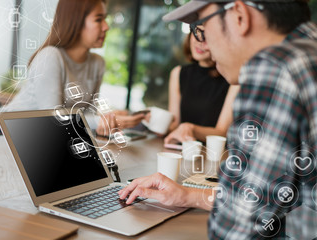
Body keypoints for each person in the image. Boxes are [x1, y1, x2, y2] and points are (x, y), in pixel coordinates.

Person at [119, 0, 317, 239]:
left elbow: (240, 226)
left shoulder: (274, 68)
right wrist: (188, 195)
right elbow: (264, 197)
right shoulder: (308, 50)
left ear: (239, 15)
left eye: (201, 28)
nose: (204, 45)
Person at [0, 0, 109, 112]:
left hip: (49, 129)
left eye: (105, 19)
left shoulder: (98, 62)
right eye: (98, 19)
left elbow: (90, 113)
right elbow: (53, 117)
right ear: (76, 21)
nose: (106, 27)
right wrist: (99, 121)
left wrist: (109, 119)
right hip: (8, 127)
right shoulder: (51, 56)